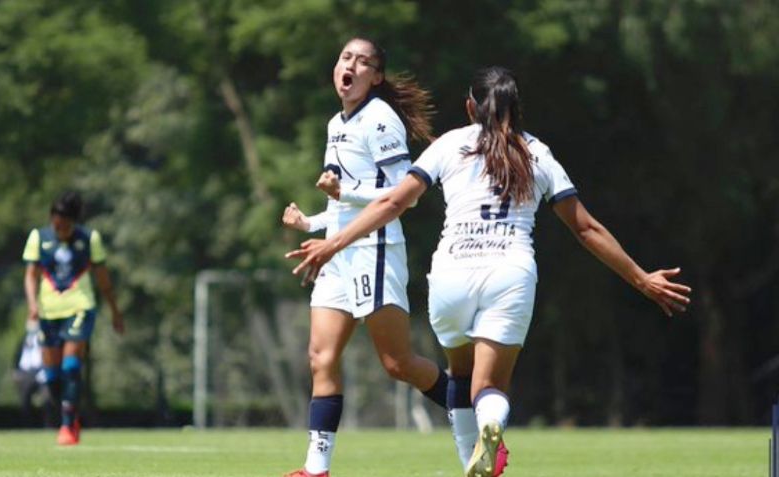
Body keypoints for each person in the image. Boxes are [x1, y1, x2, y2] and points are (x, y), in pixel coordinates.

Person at [287, 66, 692, 477]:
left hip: (451, 274)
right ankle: (491, 425)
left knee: (460, 381)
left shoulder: (449, 145)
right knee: (489, 390)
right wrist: (641, 278)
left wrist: (333, 243)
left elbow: (392, 203)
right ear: (517, 110)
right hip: (509, 274)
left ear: (469, 107)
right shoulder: (537, 152)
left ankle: (475, 461)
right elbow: (587, 228)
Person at [280, 37, 453, 477]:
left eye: (362, 61)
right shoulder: (336, 122)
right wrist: (311, 223)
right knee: (321, 356)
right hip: (337, 252)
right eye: (345, 57)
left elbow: (403, 197)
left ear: (375, 77)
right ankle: (316, 468)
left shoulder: (379, 120)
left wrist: (345, 193)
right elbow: (344, 205)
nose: (350, 65)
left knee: (397, 364)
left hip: (374, 248)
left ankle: (469, 406)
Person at [22, 190, 124, 445]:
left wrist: (114, 310)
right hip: (48, 313)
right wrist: (33, 304)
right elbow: (30, 275)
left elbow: (102, 278)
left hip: (80, 307)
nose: (60, 230)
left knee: (71, 366)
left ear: (74, 222)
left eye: (65, 225)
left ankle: (67, 427)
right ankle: (71, 416)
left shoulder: (90, 239)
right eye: (56, 224)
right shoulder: (38, 238)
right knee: (52, 376)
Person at [12, 318, 51, 427]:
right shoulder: (24, 339)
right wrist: (15, 371)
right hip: (26, 373)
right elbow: (17, 356)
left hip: (42, 372)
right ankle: (26, 426)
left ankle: (47, 425)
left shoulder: (44, 339)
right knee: (25, 402)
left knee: (47, 399)